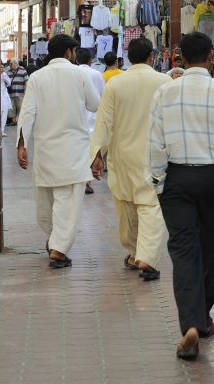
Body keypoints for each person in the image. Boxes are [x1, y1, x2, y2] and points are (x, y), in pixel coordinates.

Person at [149, 32, 214, 361]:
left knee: (183, 249)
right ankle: (203, 317)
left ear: (180, 57)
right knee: (208, 246)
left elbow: (156, 142)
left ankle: (191, 322)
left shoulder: (164, 92)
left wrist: (157, 180)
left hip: (177, 178)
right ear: (209, 58)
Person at [17, 34, 102, 268]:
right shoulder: (80, 75)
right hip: (73, 150)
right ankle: (58, 249)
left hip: (45, 149)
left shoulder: (36, 77)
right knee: (68, 202)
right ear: (68, 53)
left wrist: (21, 144)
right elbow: (95, 105)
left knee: (46, 202)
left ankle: (54, 240)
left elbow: (27, 113)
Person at [90, 38, 170, 282]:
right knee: (151, 206)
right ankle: (145, 256)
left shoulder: (115, 84)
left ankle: (135, 252)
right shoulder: (164, 82)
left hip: (122, 154)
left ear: (129, 58)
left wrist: (96, 155)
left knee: (126, 206)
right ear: (150, 57)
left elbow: (103, 122)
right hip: (154, 154)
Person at [76, 50, 106, 195]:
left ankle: (82, 180)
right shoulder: (96, 74)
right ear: (90, 60)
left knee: (79, 151)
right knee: (91, 151)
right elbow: (102, 96)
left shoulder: (73, 73)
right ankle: (87, 181)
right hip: (93, 117)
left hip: (76, 117)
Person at [6, 58, 29, 124]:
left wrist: (25, 89)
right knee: (12, 107)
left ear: (15, 63)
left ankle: (19, 120)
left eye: (11, 63)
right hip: (11, 93)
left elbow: (26, 80)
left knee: (20, 106)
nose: (9, 65)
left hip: (20, 92)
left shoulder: (22, 70)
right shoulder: (8, 71)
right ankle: (13, 120)